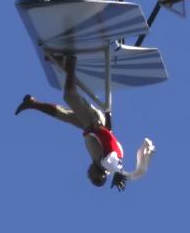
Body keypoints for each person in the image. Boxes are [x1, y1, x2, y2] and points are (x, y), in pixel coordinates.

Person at [14, 55, 156, 190]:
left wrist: (107, 118)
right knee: (69, 97)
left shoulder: (103, 161)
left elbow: (110, 136)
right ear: (100, 175)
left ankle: (32, 103)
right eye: (91, 176)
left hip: (90, 127)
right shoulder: (107, 164)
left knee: (62, 115)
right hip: (94, 123)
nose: (88, 174)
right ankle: (70, 62)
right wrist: (118, 174)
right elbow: (111, 150)